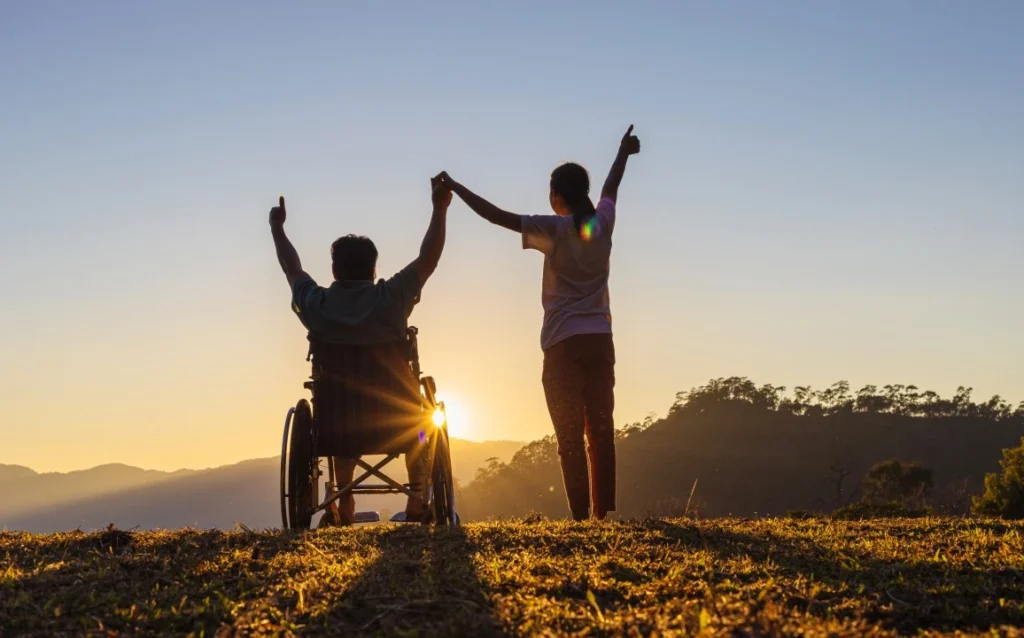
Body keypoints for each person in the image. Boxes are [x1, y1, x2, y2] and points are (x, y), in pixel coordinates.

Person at [439, 125, 640, 521]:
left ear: (558, 198)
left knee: (568, 434)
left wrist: (457, 188)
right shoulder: (602, 222)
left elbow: (497, 217)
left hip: (563, 342)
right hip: (600, 339)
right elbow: (612, 186)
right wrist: (623, 151)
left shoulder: (555, 228)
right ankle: (602, 514)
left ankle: (580, 515)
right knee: (600, 426)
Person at [269, 176, 452, 525]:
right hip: (398, 420)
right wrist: (439, 209)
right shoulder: (392, 297)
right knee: (422, 410)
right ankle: (417, 500)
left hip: (337, 427)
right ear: (374, 269)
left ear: (334, 269)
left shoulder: (318, 304)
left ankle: (346, 501)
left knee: (338, 404)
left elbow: (292, 270)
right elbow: (429, 258)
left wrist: (277, 229)